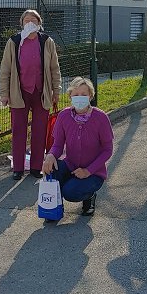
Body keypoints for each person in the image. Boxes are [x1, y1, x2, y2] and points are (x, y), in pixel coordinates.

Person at [0, 9, 61, 182]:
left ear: (39, 23)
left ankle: (36, 167)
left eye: (33, 19)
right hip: (19, 93)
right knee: (18, 130)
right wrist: (4, 94)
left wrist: (56, 91)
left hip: (41, 93)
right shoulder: (14, 42)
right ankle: (18, 168)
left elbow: (55, 69)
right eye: (27, 20)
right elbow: (5, 69)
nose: (30, 22)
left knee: (40, 131)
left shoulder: (47, 41)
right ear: (22, 24)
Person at [42, 77, 114, 217]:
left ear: (90, 96)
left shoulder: (101, 117)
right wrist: (50, 156)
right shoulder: (63, 116)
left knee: (70, 192)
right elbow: (57, 144)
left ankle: (89, 196)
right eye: (75, 95)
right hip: (71, 165)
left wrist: (88, 171)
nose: (79, 98)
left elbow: (108, 150)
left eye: (84, 95)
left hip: (93, 172)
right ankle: (54, 208)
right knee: (51, 171)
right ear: (70, 97)